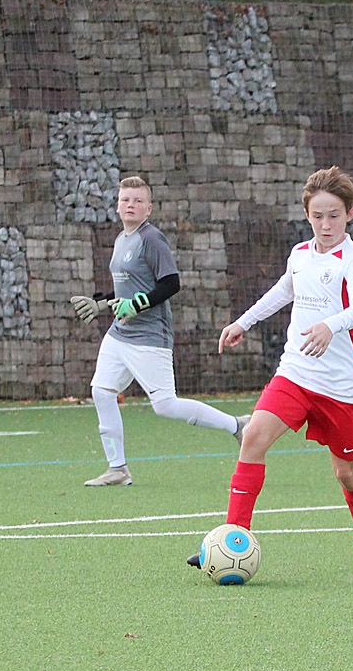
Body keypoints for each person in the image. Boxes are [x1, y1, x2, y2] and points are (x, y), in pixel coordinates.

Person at [189, 166, 353, 572]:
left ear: (350, 214)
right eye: (318, 216)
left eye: (334, 215)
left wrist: (330, 326)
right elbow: (283, 290)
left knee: (347, 473)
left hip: (341, 388)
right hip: (295, 373)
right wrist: (243, 322)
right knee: (253, 437)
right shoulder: (299, 254)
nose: (326, 225)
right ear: (307, 215)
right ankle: (232, 538)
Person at [71, 176, 247, 486]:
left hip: (149, 336)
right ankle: (117, 469)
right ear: (117, 206)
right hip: (119, 334)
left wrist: (137, 305)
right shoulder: (121, 239)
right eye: (125, 200)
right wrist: (100, 304)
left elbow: (170, 283)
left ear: (149, 208)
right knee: (101, 391)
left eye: (138, 201)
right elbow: (125, 290)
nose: (131, 205)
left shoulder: (152, 239)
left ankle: (237, 425)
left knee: (166, 405)